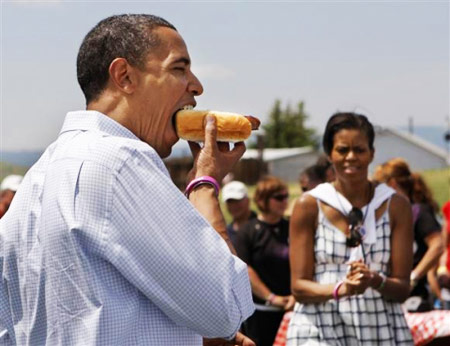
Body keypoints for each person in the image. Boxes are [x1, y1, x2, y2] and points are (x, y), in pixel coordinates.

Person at [0, 14, 255, 346]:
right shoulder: (121, 160)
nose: (196, 86)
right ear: (124, 76)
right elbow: (225, 306)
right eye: (179, 69)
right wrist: (204, 184)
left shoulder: (37, 178)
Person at [288, 113, 413, 345]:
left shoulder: (396, 205)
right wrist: (342, 288)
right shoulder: (309, 205)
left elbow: (403, 288)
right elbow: (298, 287)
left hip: (379, 328)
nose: (351, 157)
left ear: (372, 153)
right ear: (330, 155)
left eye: (360, 149)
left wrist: (374, 279)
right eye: (343, 150)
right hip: (321, 326)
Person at [376, 159, 443, 312]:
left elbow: (437, 245)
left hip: (416, 300)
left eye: (380, 185)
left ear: (392, 184)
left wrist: (414, 276)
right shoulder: (393, 214)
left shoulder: (418, 211)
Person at [235, 176, 295, 346]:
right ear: (263, 200)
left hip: (292, 309)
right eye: (279, 198)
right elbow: (244, 268)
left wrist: (296, 296)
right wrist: (271, 297)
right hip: (261, 313)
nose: (285, 202)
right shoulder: (248, 231)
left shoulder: (291, 227)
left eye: (286, 197)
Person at [221, 181, 257, 246]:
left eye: (237, 200)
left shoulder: (262, 227)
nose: (233, 206)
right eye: (230, 201)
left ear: (248, 201)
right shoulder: (226, 232)